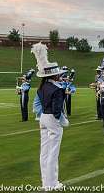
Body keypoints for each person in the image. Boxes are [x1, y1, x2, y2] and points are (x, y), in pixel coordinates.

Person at [31, 43, 69, 190]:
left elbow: (36, 105)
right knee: (53, 153)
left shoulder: (41, 87)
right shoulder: (57, 88)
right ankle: (52, 184)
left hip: (43, 118)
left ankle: (45, 182)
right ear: (55, 74)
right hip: (52, 119)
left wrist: (41, 116)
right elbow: (57, 110)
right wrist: (63, 120)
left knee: (44, 152)